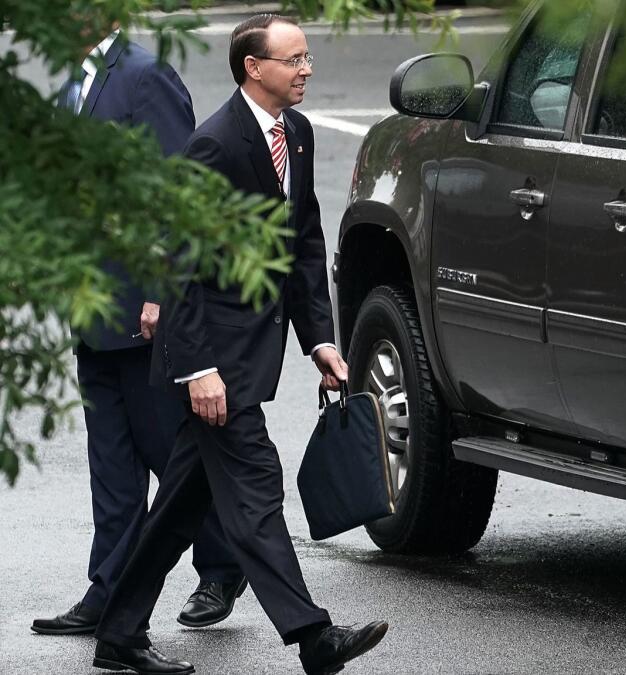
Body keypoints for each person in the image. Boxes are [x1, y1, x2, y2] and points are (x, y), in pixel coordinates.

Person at [90, 14, 388, 675]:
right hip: (214, 358)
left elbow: (303, 245)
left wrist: (320, 342)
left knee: (177, 507)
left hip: (254, 350)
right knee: (256, 488)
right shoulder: (215, 144)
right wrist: (197, 367)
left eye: (308, 58)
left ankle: (117, 631)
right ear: (255, 68)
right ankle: (315, 637)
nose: (307, 69)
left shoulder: (299, 136)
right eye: (294, 60)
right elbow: (180, 263)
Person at [31, 26, 246, 640]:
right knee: (112, 463)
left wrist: (162, 291)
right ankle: (109, 588)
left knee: (169, 453)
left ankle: (224, 565)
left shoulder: (145, 74)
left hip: (142, 305)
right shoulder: (80, 75)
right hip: (92, 304)